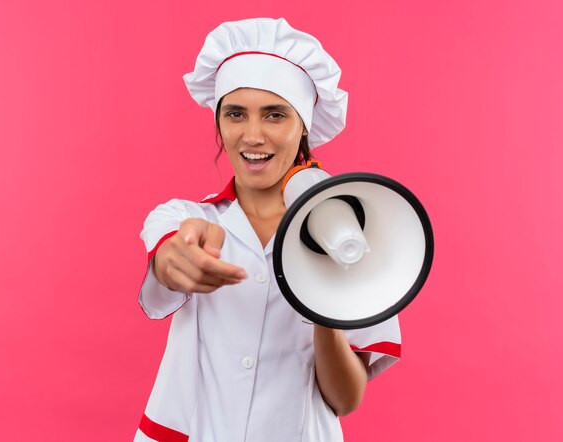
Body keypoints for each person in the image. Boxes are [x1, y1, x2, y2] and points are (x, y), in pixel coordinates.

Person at [134, 18, 401, 442]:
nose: (252, 135)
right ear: (219, 121)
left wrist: (323, 299)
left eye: (275, 114)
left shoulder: (352, 239)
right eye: (235, 114)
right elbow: (169, 252)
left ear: (304, 126)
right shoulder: (188, 216)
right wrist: (179, 259)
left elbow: (345, 399)